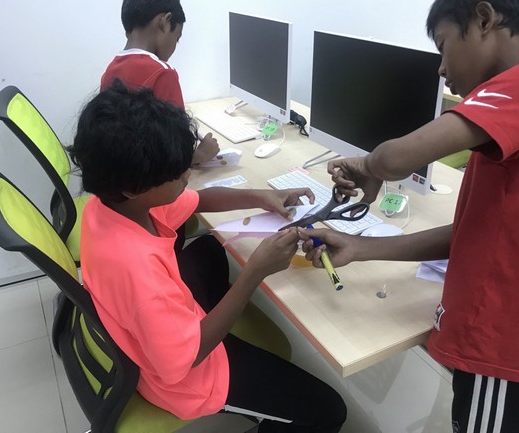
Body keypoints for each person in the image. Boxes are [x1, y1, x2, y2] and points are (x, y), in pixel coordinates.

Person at [300, 0, 519, 433]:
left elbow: (398, 158)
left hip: (506, 352)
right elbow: (477, 234)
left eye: (443, 46)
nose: (440, 68)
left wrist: (368, 166)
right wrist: (360, 247)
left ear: (484, 19)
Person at [69, 82, 347, 432]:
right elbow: (186, 360)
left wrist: (263, 196)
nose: (187, 175)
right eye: (177, 174)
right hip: (192, 376)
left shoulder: (113, 205)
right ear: (134, 188)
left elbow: (199, 200)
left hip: (165, 326)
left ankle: (217, 321)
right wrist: (255, 272)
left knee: (211, 249)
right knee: (328, 411)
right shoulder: (138, 272)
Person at [100, 0, 219, 166]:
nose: (174, 47)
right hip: (154, 181)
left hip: (121, 176)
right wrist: (199, 155)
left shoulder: (110, 71)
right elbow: (177, 152)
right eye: (177, 38)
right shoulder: (163, 73)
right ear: (165, 21)